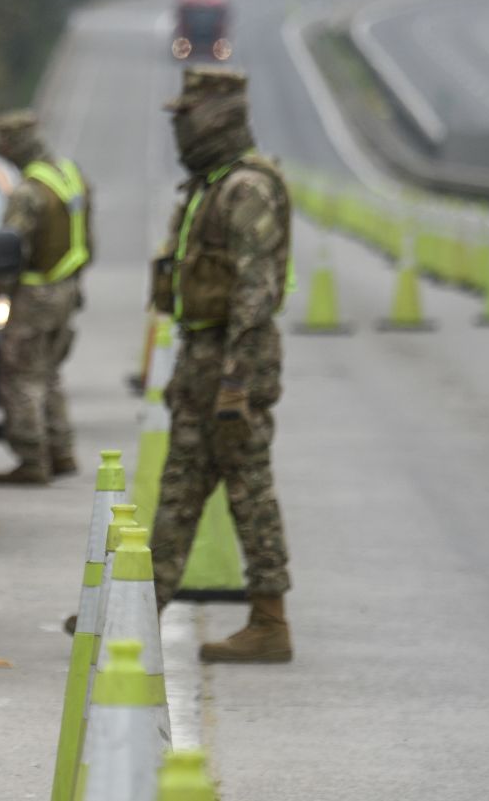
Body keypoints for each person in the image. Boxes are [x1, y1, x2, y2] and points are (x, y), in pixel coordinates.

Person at [148, 66, 293, 663]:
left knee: (248, 487)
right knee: (180, 486)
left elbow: (256, 291)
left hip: (235, 359)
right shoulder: (211, 185)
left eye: (187, 114)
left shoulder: (246, 189)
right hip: (202, 355)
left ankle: (270, 620)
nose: (181, 126)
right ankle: (138, 609)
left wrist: (235, 380)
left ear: (218, 115)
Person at [0, 109, 92, 485]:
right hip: (67, 287)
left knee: (20, 376)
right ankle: (61, 450)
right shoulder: (69, 177)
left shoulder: (29, 192)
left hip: (36, 292)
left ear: (15, 146)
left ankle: (32, 458)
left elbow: (12, 248)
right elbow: (86, 238)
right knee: (48, 374)